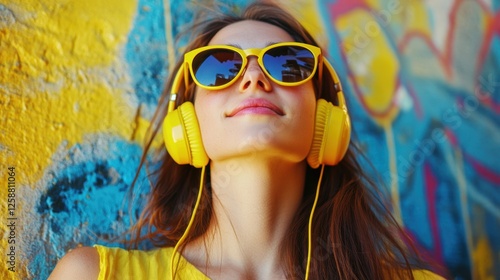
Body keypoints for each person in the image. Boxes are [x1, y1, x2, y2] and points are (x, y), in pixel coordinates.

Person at [49, 2, 445, 279]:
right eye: (220, 66)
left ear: (323, 117)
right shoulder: (92, 275)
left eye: (288, 62)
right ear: (187, 122)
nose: (254, 78)